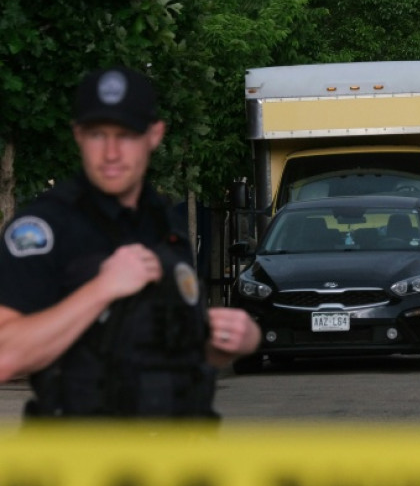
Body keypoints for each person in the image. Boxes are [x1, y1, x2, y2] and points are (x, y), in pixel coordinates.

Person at [0, 66, 261, 419]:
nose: (111, 152)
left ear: (154, 135)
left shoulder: (165, 224)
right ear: (78, 135)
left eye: (126, 135)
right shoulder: (44, 228)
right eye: (97, 134)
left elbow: (160, 353)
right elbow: (6, 355)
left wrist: (225, 345)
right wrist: (102, 288)